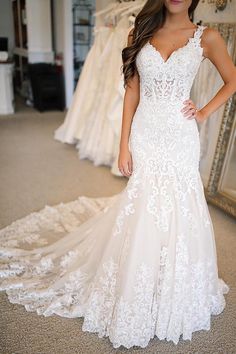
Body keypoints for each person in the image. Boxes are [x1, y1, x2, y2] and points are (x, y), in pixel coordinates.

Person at [0, 0, 236, 350]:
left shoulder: (207, 37)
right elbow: (132, 91)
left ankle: (173, 286)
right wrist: (123, 145)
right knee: (144, 205)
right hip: (145, 133)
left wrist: (203, 112)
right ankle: (136, 286)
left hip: (180, 136)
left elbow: (232, 80)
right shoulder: (139, 32)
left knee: (179, 205)